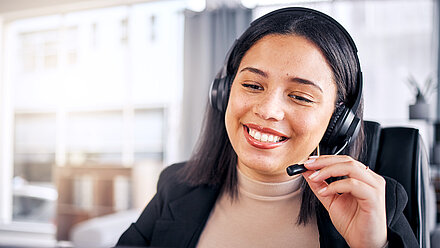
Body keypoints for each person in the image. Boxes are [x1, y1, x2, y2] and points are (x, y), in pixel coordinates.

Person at [116, 7, 418, 248]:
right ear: (223, 92)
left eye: (300, 96)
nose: (267, 110)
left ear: (340, 122)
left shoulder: (377, 206)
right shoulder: (177, 185)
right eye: (252, 84)